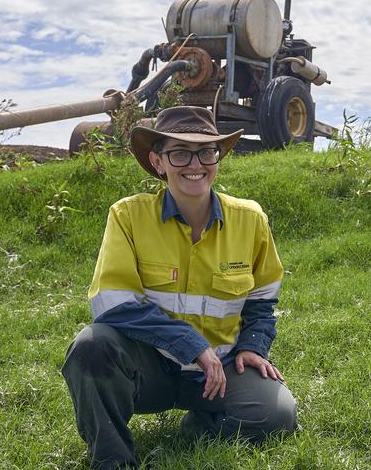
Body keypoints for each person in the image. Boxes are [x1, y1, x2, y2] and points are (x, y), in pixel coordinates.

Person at [61, 105, 297, 469]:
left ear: (218, 158)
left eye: (206, 151)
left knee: (276, 416)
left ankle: (201, 422)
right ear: (158, 162)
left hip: (221, 368)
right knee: (91, 346)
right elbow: (113, 304)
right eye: (180, 153)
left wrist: (253, 346)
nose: (195, 164)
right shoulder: (127, 216)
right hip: (149, 367)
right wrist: (192, 346)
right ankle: (113, 459)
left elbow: (262, 300)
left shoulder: (251, 219)